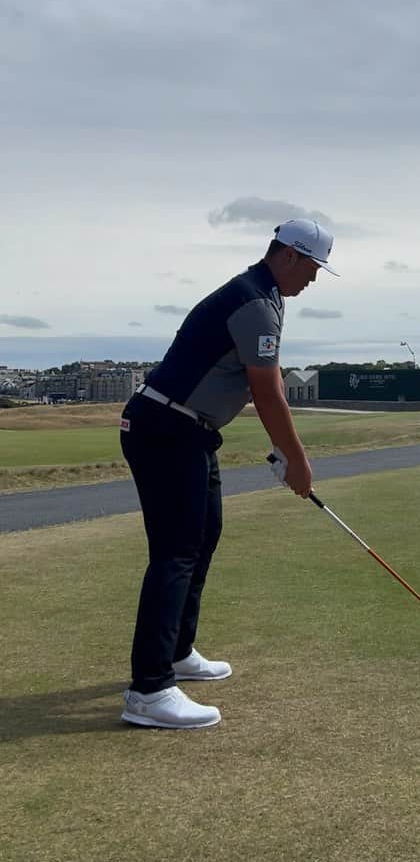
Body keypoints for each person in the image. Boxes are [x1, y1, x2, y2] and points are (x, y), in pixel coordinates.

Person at [119, 218, 338, 730]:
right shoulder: (255, 302)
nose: (314, 278)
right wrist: (298, 460)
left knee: (203, 536)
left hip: (188, 432)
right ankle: (149, 689)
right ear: (287, 254)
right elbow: (267, 392)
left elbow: (272, 378)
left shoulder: (267, 298)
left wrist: (286, 451)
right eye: (312, 266)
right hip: (165, 429)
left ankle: (176, 652)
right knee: (175, 551)